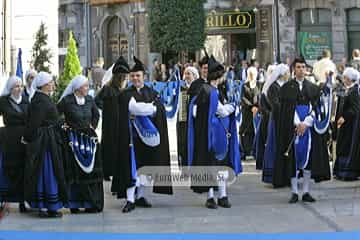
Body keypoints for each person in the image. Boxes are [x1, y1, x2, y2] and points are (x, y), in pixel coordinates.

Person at [111, 56, 173, 213]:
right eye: (132, 76)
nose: (135, 78)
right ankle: (130, 199)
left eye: (138, 75)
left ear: (143, 76)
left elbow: (158, 110)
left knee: (146, 167)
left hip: (148, 140)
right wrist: (148, 108)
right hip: (131, 139)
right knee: (131, 168)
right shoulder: (125, 94)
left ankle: (141, 196)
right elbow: (135, 109)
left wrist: (151, 109)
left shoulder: (151, 92)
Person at [187, 55, 242, 209]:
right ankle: (218, 197)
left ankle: (216, 196)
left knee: (215, 166)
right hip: (215, 136)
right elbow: (222, 111)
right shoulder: (211, 92)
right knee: (218, 166)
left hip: (211, 135)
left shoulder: (208, 90)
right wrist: (233, 107)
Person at [273, 57, 331, 203]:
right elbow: (286, 110)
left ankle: (305, 191)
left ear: (306, 69)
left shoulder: (312, 88)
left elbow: (317, 109)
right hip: (292, 129)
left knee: (308, 160)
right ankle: (294, 191)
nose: (301, 70)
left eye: (303, 67)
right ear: (294, 69)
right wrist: (297, 123)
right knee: (293, 160)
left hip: (308, 130)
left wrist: (306, 123)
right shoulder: (286, 88)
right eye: (298, 67)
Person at [23, 72, 67, 218]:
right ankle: (46, 206)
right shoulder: (41, 100)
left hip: (47, 139)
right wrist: (28, 137)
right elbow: (34, 122)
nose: (53, 84)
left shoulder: (41, 98)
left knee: (46, 171)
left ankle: (46, 206)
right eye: (50, 82)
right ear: (44, 85)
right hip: (45, 143)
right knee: (46, 172)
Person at [58, 75, 104, 213]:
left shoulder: (89, 100)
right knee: (75, 172)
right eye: (85, 86)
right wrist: (63, 126)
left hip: (89, 139)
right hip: (73, 139)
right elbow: (55, 114)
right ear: (77, 88)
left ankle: (92, 203)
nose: (87, 88)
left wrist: (92, 127)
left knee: (92, 173)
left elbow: (96, 115)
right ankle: (75, 203)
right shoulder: (67, 101)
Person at [95, 56, 129, 181]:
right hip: (109, 123)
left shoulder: (124, 89)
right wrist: (108, 109)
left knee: (118, 146)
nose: (125, 79)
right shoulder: (108, 89)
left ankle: (116, 170)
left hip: (120, 122)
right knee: (109, 145)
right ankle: (107, 170)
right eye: (123, 77)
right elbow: (97, 101)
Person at [0, 76, 29, 213]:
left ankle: (23, 201)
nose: (19, 89)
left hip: (23, 139)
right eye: (16, 86)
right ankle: (6, 198)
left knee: (23, 169)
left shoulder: (26, 101)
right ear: (10, 88)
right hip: (9, 139)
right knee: (10, 168)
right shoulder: (3, 101)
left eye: (21, 86)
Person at [261, 64, 290, 184]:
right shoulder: (273, 87)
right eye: (287, 72)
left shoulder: (287, 86)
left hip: (286, 119)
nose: (289, 74)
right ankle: (274, 175)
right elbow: (275, 104)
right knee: (275, 146)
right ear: (283, 74)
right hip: (277, 120)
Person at [333, 67, 360, 181]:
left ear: (349, 78)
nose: (343, 79)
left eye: (345, 77)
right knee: (342, 146)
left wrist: (344, 117)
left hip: (350, 125)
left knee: (347, 147)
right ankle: (340, 171)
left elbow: (355, 108)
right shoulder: (347, 90)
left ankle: (347, 172)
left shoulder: (354, 91)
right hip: (344, 125)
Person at [177, 66, 199, 167]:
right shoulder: (182, 88)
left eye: (189, 74)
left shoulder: (199, 88)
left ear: (194, 75)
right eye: (185, 74)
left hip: (194, 121)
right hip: (183, 120)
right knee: (183, 144)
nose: (186, 76)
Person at [239, 66, 260, 160]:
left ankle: (254, 151)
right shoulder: (244, 85)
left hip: (256, 112)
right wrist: (251, 106)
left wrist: (257, 107)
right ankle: (245, 151)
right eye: (250, 74)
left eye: (253, 74)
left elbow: (260, 96)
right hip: (247, 112)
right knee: (246, 130)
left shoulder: (259, 85)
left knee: (255, 130)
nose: (251, 75)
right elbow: (242, 98)